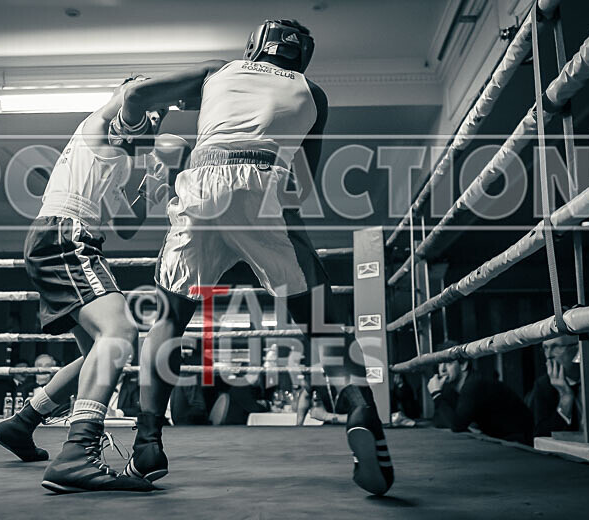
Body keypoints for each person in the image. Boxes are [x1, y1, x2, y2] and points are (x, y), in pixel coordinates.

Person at [113, 19, 393, 495]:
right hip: (267, 183)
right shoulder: (314, 94)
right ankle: (361, 408)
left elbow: (134, 96)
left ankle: (146, 444)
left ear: (252, 48)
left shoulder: (215, 72)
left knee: (169, 315)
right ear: (301, 55)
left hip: (201, 181)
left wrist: (139, 128)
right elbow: (304, 184)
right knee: (319, 316)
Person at [0, 75, 188, 493]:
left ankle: (22, 421)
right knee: (120, 333)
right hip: (66, 234)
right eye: (153, 108)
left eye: (162, 113)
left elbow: (127, 227)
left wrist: (161, 179)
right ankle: (77, 454)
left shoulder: (118, 160)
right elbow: (133, 96)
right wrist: (208, 73)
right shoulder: (101, 121)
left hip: (72, 238)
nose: (155, 118)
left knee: (100, 352)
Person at [427, 354, 534, 445]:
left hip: (520, 440)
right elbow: (439, 421)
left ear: (463, 365)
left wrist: (436, 394)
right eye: (440, 363)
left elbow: (457, 426)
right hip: (504, 439)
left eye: (449, 363)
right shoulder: (456, 388)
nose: (442, 369)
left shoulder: (473, 384)